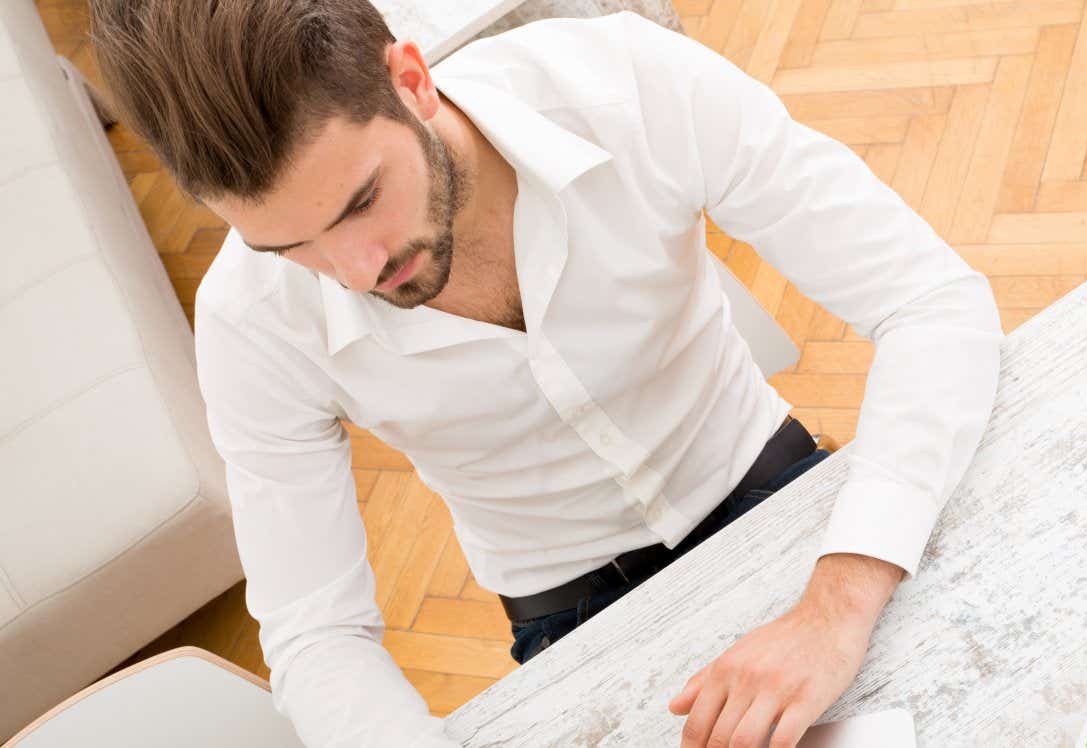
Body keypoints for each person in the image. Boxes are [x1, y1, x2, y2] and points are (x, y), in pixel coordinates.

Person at [88, 1, 1003, 745]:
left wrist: (835, 605)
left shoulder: (628, 85)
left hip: (781, 493)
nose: (357, 270)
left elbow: (931, 302)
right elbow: (316, 633)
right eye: (291, 246)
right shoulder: (249, 322)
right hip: (571, 622)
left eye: (362, 200)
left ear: (413, 82)